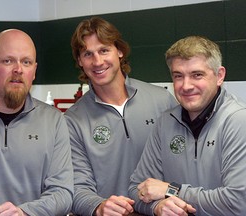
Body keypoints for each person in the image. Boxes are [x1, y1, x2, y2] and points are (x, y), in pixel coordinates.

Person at [64, 16, 177, 216]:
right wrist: (99, 206)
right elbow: (77, 187)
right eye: (88, 54)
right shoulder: (73, 120)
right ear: (80, 61)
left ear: (119, 51)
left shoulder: (162, 101)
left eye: (104, 50)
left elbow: (184, 164)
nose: (97, 61)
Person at [0, 29, 73, 215]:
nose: (18, 69)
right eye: (8, 61)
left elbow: (63, 193)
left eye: (26, 62)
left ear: (34, 71)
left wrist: (25, 212)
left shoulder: (53, 121)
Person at [129, 36, 246, 215]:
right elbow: (137, 189)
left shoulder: (238, 120)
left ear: (219, 75)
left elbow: (238, 202)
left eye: (197, 75)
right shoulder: (165, 122)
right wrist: (156, 206)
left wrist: (171, 190)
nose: (186, 85)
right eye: (178, 76)